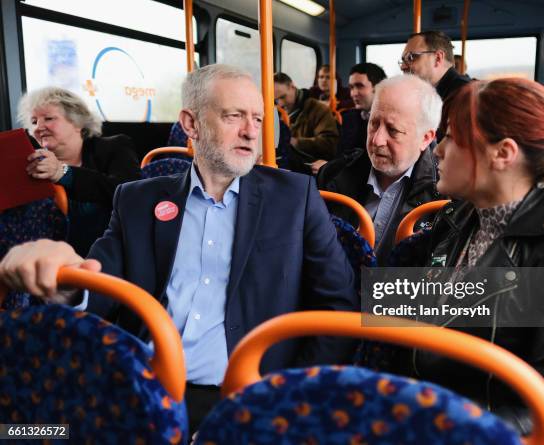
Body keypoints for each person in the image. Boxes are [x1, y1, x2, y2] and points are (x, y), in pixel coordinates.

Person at [1, 65, 358, 435]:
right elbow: (101, 280)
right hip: (144, 385)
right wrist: (70, 285)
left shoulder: (294, 197)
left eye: (258, 118)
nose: (252, 131)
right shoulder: (138, 199)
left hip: (251, 392)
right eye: (234, 116)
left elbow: (339, 304)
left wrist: (294, 394)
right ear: (191, 124)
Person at [359, 78, 544, 442]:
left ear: (503, 153)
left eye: (451, 138)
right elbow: (405, 332)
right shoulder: (454, 223)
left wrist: (451, 429)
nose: (438, 151)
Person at [317, 74, 443, 265]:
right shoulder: (333, 175)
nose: (376, 140)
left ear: (425, 138)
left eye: (393, 130)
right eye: (373, 124)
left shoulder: (445, 195)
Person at [17, 87, 141, 256]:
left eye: (48, 118)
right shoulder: (28, 162)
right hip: (43, 256)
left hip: (108, 253)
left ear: (77, 123)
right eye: (33, 122)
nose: (39, 127)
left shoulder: (115, 147)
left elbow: (130, 193)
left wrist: (63, 173)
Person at [310, 62, 387, 175]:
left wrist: (331, 167)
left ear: (378, 88)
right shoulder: (348, 118)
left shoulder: (388, 122)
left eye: (360, 86)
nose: (353, 93)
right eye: (351, 87)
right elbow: (341, 154)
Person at [399, 31, 470, 140]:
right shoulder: (425, 95)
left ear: (438, 58)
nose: (403, 66)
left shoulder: (464, 94)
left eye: (411, 57)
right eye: (403, 60)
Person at [274, 72, 340, 173]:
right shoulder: (275, 113)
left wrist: (296, 142)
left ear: (292, 87)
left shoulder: (318, 110)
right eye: (276, 100)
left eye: (283, 97)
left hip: (310, 167)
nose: (280, 103)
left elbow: (329, 144)